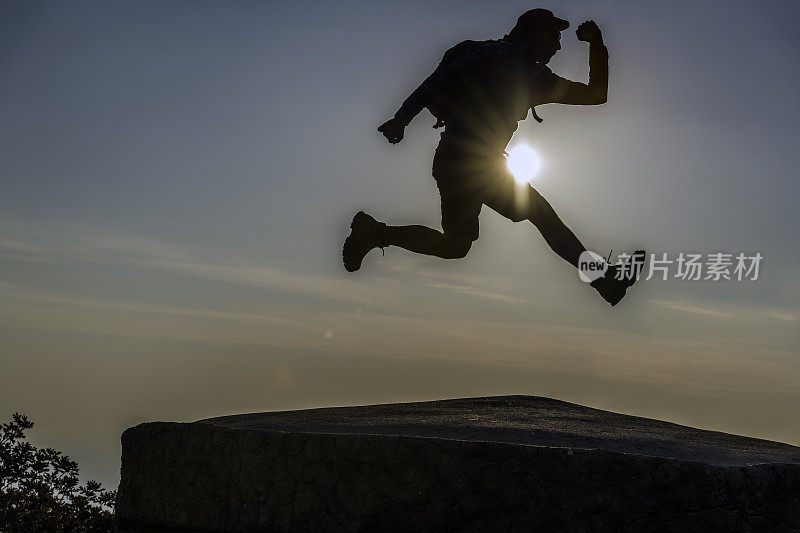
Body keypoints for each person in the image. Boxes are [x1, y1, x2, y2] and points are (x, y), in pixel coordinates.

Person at [343, 8, 644, 306]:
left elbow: (596, 94)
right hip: (464, 160)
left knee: (457, 246)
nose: (557, 44)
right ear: (533, 33)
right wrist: (402, 118)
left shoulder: (537, 79)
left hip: (468, 163)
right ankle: (605, 283)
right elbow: (436, 81)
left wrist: (596, 44)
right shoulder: (496, 56)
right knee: (541, 216)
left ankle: (375, 233)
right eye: (552, 35)